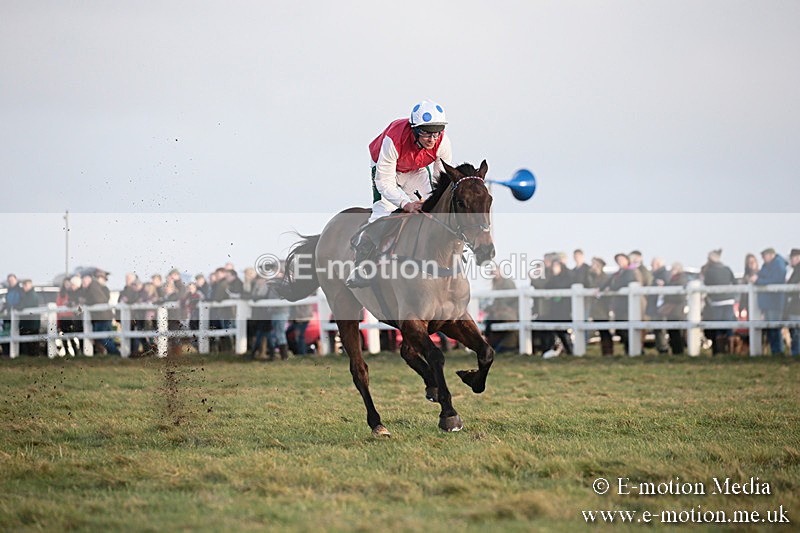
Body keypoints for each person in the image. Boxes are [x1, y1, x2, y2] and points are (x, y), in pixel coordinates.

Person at [346, 99, 453, 288]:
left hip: (415, 171)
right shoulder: (394, 139)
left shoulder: (442, 142)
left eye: (436, 133)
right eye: (426, 133)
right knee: (382, 213)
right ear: (414, 130)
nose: (432, 139)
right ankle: (361, 265)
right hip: (387, 170)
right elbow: (384, 182)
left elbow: (441, 181)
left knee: (434, 210)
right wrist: (406, 203)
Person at [601, 253, 644, 355]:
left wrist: (611, 288)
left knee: (626, 329)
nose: (620, 262)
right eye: (618, 260)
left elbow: (621, 284)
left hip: (627, 306)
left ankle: (635, 350)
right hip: (620, 306)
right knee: (621, 329)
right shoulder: (619, 272)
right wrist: (601, 289)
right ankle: (629, 350)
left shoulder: (630, 272)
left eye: (621, 260)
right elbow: (609, 281)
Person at [701, 249, 736, 355]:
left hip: (717, 301)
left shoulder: (710, 271)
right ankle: (731, 350)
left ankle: (720, 350)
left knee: (718, 326)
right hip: (729, 300)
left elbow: (706, 284)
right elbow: (734, 281)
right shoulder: (727, 269)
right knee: (728, 326)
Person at [755, 247, 788, 355]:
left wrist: (758, 281)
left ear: (770, 255)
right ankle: (775, 351)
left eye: (764, 256)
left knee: (775, 328)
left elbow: (776, 280)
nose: (763, 258)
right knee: (771, 328)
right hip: (769, 302)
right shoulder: (769, 265)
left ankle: (778, 351)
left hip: (775, 302)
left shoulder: (778, 265)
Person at [81, 271, 120, 355]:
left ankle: (115, 353)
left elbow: (99, 300)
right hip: (104, 316)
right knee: (106, 338)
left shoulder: (93, 286)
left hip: (101, 317)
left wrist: (86, 302)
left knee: (101, 337)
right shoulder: (98, 287)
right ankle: (114, 354)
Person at [541, 259, 574, 358]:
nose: (554, 269)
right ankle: (551, 350)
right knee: (554, 330)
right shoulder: (553, 278)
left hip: (564, 309)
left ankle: (570, 350)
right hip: (554, 309)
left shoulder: (567, 278)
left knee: (563, 331)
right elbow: (546, 287)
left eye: (556, 266)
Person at [659, 263, 689, 355]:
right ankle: (676, 351)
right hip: (673, 309)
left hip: (677, 309)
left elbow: (680, 296)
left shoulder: (681, 279)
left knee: (676, 332)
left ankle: (678, 351)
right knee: (673, 331)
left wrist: (668, 299)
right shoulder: (675, 279)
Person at [587, 257, 613, 355]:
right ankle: (605, 351)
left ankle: (608, 351)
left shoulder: (605, 278)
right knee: (601, 330)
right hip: (595, 308)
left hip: (602, 308)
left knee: (604, 330)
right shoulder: (591, 277)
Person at [18, 279, 41, 355]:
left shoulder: (32, 295)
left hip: (31, 323)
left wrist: (21, 307)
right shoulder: (25, 295)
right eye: (24, 285)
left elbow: (29, 306)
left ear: (30, 285)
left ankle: (33, 357)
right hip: (27, 323)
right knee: (28, 343)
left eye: (26, 285)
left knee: (32, 344)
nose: (24, 287)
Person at [785, 249, 800, 357]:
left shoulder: (797, 271)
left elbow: (790, 287)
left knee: (795, 331)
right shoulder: (794, 270)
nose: (791, 260)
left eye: (792, 257)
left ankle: (796, 352)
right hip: (795, 305)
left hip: (796, 305)